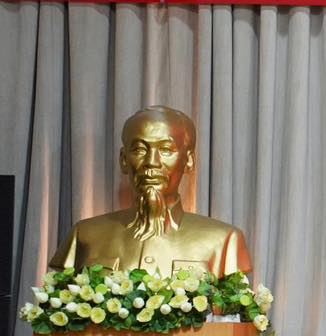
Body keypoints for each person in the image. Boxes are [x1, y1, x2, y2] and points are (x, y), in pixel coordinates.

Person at [49, 105, 250, 276]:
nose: (152, 162)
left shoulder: (224, 241)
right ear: (124, 160)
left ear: (189, 160)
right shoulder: (84, 235)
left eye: (166, 150)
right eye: (139, 149)